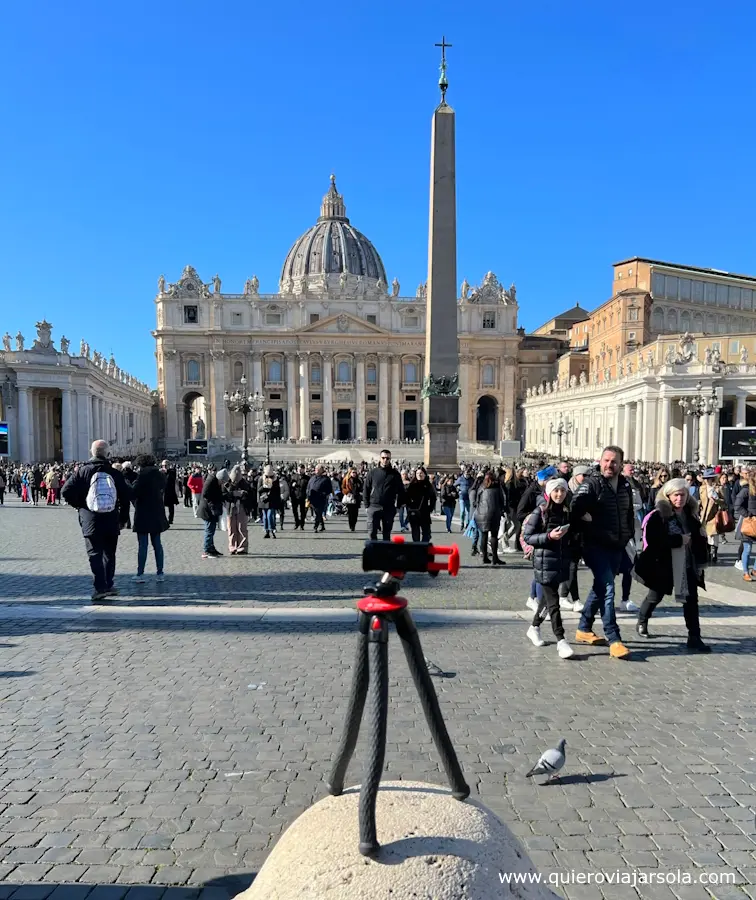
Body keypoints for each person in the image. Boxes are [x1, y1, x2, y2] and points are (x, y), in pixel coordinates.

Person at [571, 445, 634, 659]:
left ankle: (584, 628)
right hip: (594, 544)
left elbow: (627, 513)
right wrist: (585, 518)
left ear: (621, 464)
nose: (609, 464)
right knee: (608, 588)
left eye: (614, 461)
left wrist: (628, 536)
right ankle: (614, 638)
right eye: (606, 460)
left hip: (616, 544)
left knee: (600, 586)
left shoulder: (625, 486)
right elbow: (574, 506)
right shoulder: (592, 483)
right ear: (600, 461)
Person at [634, 478, 710, 652]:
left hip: (687, 564)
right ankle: (642, 619)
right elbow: (653, 541)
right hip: (665, 565)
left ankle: (694, 637)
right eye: (676, 495)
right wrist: (678, 540)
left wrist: (700, 539)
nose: (679, 499)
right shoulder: (658, 515)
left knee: (691, 601)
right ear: (668, 496)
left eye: (683, 495)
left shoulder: (691, 514)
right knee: (655, 596)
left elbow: (696, 537)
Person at [61, 440, 130, 601]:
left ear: (91, 452)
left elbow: (66, 491)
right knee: (109, 554)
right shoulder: (114, 473)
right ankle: (109, 584)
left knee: (94, 553)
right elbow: (126, 497)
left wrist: (80, 505)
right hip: (111, 518)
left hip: (90, 518)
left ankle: (100, 588)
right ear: (107, 454)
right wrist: (123, 518)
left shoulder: (82, 471)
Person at [522, 477, 575, 659]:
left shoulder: (567, 512)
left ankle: (534, 627)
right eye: (556, 491)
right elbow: (528, 536)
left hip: (559, 562)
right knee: (554, 603)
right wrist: (549, 536)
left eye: (562, 491)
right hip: (544, 563)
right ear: (550, 493)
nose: (559, 494)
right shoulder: (541, 511)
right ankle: (561, 640)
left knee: (547, 601)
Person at [130, 454, 168, 583]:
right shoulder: (161, 475)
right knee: (157, 544)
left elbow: (133, 493)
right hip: (157, 512)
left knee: (143, 545)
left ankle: (140, 573)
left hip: (143, 513)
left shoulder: (142, 477)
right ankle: (160, 572)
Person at [363, 449, 405, 541]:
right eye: (383, 458)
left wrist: (398, 506)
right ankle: (374, 553)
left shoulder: (395, 474)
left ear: (390, 459)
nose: (385, 460)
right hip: (373, 506)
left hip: (389, 507)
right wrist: (366, 505)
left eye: (387, 458)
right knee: (372, 532)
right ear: (380, 458)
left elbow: (401, 491)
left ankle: (385, 554)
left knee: (387, 534)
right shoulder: (372, 472)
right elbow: (366, 488)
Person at [474, 471, 506, 565]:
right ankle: (495, 558)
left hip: (482, 514)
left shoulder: (481, 487)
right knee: (494, 536)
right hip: (494, 513)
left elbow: (477, 501)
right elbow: (502, 500)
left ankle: (484, 557)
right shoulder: (497, 487)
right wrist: (502, 510)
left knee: (484, 535)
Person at [197, 467, 229, 558]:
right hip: (207, 510)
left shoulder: (215, 481)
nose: (222, 484)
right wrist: (212, 506)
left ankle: (211, 548)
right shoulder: (210, 481)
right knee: (209, 530)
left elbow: (217, 495)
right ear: (220, 478)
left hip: (211, 509)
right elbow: (205, 495)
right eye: (222, 481)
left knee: (212, 530)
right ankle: (206, 550)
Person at [698, 468, 727, 565]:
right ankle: (707, 553)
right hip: (703, 516)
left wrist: (717, 500)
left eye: (709, 478)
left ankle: (714, 554)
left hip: (714, 515)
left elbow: (724, 503)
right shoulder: (701, 488)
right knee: (705, 535)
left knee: (713, 536)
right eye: (706, 478)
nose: (707, 480)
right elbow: (699, 500)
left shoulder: (718, 489)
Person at [225, 465, 254, 554]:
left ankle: (243, 547)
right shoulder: (227, 483)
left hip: (242, 507)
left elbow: (250, 497)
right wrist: (232, 493)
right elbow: (224, 495)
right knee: (231, 528)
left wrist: (242, 495)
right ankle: (232, 546)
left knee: (242, 528)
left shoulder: (245, 484)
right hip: (231, 508)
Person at [734, 470, 756, 581]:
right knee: (747, 549)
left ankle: (755, 569)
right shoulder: (746, 490)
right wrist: (748, 515)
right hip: (749, 523)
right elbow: (737, 505)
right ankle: (746, 572)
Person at [405, 466, 436, 542]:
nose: (419, 475)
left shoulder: (428, 485)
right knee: (415, 533)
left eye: (421, 473)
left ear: (425, 474)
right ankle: (417, 549)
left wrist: (430, 508)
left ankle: (423, 548)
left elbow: (433, 498)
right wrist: (409, 507)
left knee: (427, 533)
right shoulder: (411, 485)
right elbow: (406, 497)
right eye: (418, 473)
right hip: (414, 512)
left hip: (424, 511)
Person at [307, 464, 332, 532]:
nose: (316, 470)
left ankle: (315, 526)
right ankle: (322, 525)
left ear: (321, 470)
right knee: (318, 513)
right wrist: (308, 496)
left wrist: (323, 494)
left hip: (321, 499)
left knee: (318, 512)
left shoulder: (326, 479)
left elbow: (329, 489)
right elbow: (308, 487)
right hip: (312, 498)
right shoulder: (312, 478)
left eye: (317, 469)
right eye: (315, 469)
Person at [257, 464, 280, 538]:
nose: (269, 477)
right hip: (264, 500)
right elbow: (258, 490)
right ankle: (266, 530)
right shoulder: (261, 479)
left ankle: (272, 529)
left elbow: (277, 491)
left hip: (272, 500)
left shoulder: (276, 479)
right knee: (265, 517)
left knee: (270, 515)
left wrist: (272, 487)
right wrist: (264, 486)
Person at [341, 466, 362, 532]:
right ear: (350, 473)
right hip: (349, 498)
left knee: (356, 514)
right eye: (353, 472)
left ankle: (354, 525)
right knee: (350, 513)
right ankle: (351, 525)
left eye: (355, 472)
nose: (354, 473)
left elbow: (362, 487)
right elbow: (343, 488)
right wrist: (347, 493)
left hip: (356, 498)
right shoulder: (346, 479)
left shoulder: (359, 479)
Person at [291, 464, 309, 530]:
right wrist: (292, 486)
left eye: (301, 469)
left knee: (303, 511)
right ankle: (296, 522)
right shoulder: (293, 476)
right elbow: (290, 486)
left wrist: (307, 496)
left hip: (303, 496)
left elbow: (308, 488)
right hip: (294, 496)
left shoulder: (307, 478)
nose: (299, 470)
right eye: (298, 469)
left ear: (304, 470)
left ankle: (302, 524)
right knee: (294, 511)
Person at [161, 461, 179, 526]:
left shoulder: (172, 471)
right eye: (163, 465)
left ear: (169, 465)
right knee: (161, 506)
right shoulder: (160, 472)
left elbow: (172, 478)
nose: (164, 467)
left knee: (171, 507)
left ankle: (170, 519)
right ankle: (163, 519)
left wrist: (167, 471)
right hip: (163, 492)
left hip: (170, 492)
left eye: (166, 465)